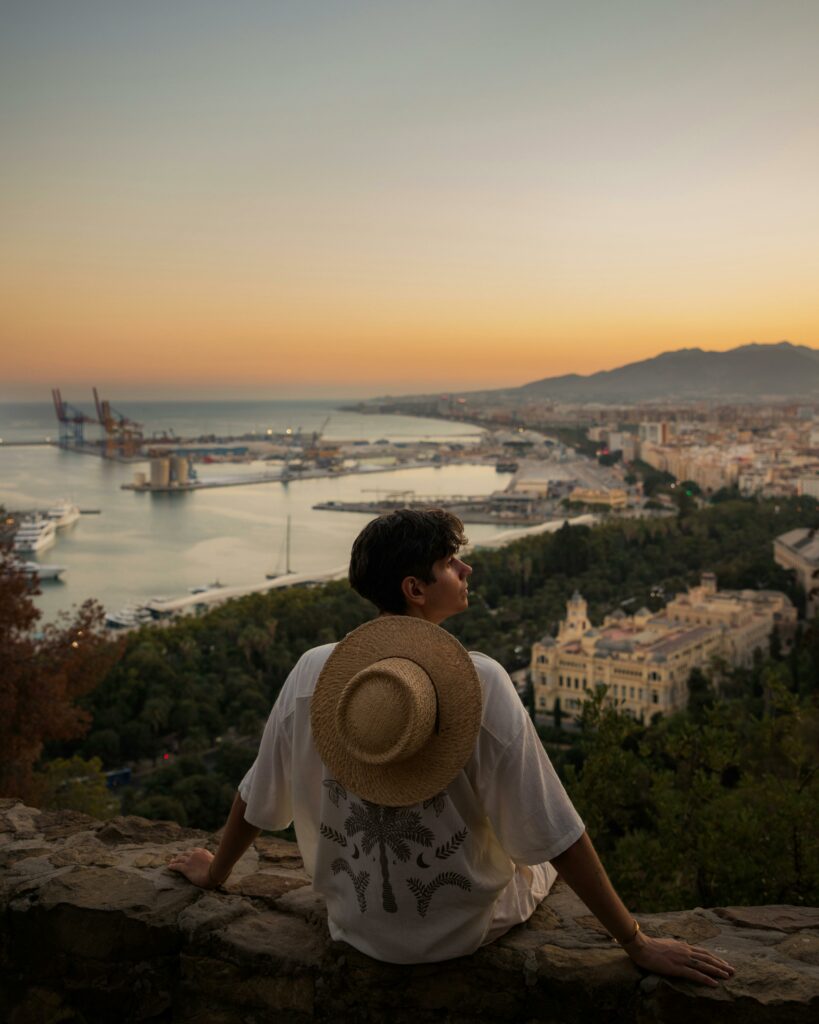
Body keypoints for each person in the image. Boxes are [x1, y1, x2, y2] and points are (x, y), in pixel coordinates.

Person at [169, 509, 734, 984]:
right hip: (461, 935)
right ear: (415, 589)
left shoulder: (314, 673)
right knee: (536, 862)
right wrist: (635, 943)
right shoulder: (479, 682)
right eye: (449, 562)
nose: (467, 568)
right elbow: (558, 834)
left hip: (355, 925)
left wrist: (217, 874)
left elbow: (256, 792)